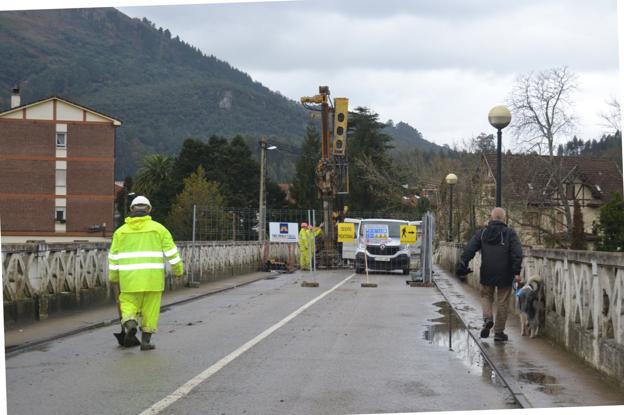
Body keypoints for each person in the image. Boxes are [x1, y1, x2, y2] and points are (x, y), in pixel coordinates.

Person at [108, 196, 184, 350]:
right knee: (151, 311)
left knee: (128, 305)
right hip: (153, 280)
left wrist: (113, 278)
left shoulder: (120, 232)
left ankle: (130, 324)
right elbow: (172, 253)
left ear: (131, 210)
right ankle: (146, 342)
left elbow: (113, 258)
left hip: (129, 280)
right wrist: (178, 271)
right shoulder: (159, 229)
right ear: (149, 210)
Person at [457, 207, 523, 342]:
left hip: (487, 272)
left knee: (486, 296)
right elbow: (517, 253)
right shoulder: (510, 233)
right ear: (504, 218)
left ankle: (487, 319)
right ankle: (499, 333)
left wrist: (463, 262)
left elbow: (470, 248)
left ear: (491, 217)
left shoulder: (482, 233)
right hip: (505, 273)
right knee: (502, 302)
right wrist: (516, 272)